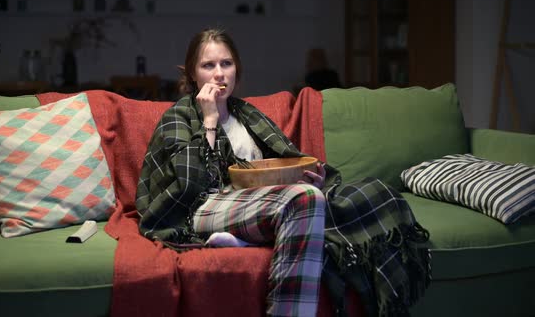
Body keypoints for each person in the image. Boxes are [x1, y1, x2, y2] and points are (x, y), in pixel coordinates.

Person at [136, 28, 430, 317]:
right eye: (208, 65)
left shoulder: (247, 115)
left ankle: (251, 237)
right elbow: (195, 184)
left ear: (237, 68)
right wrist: (210, 120)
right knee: (303, 201)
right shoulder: (178, 116)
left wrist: (306, 177)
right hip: (202, 206)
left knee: (369, 193)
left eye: (226, 63)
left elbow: (280, 163)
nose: (219, 73)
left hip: (256, 203)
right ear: (192, 74)